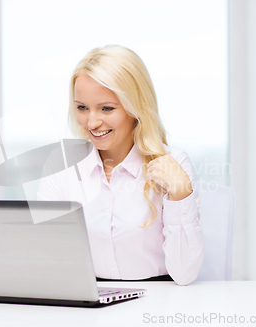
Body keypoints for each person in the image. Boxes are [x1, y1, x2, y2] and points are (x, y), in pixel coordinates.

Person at [37, 45, 204, 286]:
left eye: (107, 108)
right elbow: (47, 256)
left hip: (155, 300)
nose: (92, 122)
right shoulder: (61, 165)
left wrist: (180, 193)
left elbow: (185, 274)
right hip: (86, 300)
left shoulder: (173, 164)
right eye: (82, 107)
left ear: (135, 107)